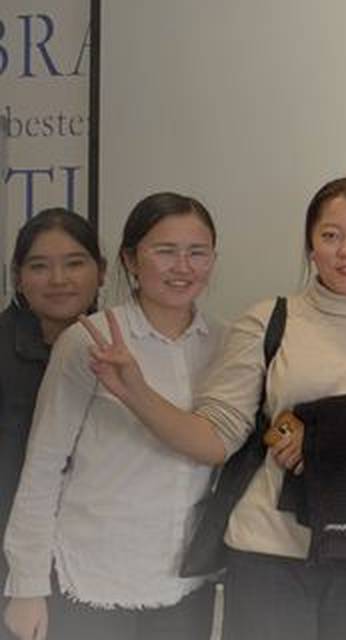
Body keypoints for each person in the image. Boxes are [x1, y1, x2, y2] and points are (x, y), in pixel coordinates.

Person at [75, 175, 346, 640]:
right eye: (331, 235)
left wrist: (320, 436)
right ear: (311, 245)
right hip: (267, 552)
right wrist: (134, 391)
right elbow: (215, 439)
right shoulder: (269, 320)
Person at [4, 194, 219, 640]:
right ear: (130, 260)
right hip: (93, 574)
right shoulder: (88, 340)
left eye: (197, 252)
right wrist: (27, 586)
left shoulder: (226, 343)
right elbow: (43, 467)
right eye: (165, 251)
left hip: (186, 581)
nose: (182, 267)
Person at [0, 209, 104, 640]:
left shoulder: (120, 348)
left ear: (102, 271)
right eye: (39, 266)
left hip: (95, 561)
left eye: (75, 263)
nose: (59, 279)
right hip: (12, 563)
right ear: (18, 277)